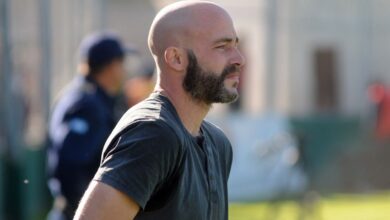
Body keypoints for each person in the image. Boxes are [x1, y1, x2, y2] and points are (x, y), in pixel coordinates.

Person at [74, 1, 245, 220]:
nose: (239, 59)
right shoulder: (153, 133)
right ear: (176, 58)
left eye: (236, 45)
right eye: (222, 46)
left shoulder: (217, 143)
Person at [46, 32, 131, 219]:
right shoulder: (87, 105)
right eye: (121, 63)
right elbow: (70, 164)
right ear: (111, 66)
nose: (124, 70)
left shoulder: (84, 96)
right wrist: (83, 212)